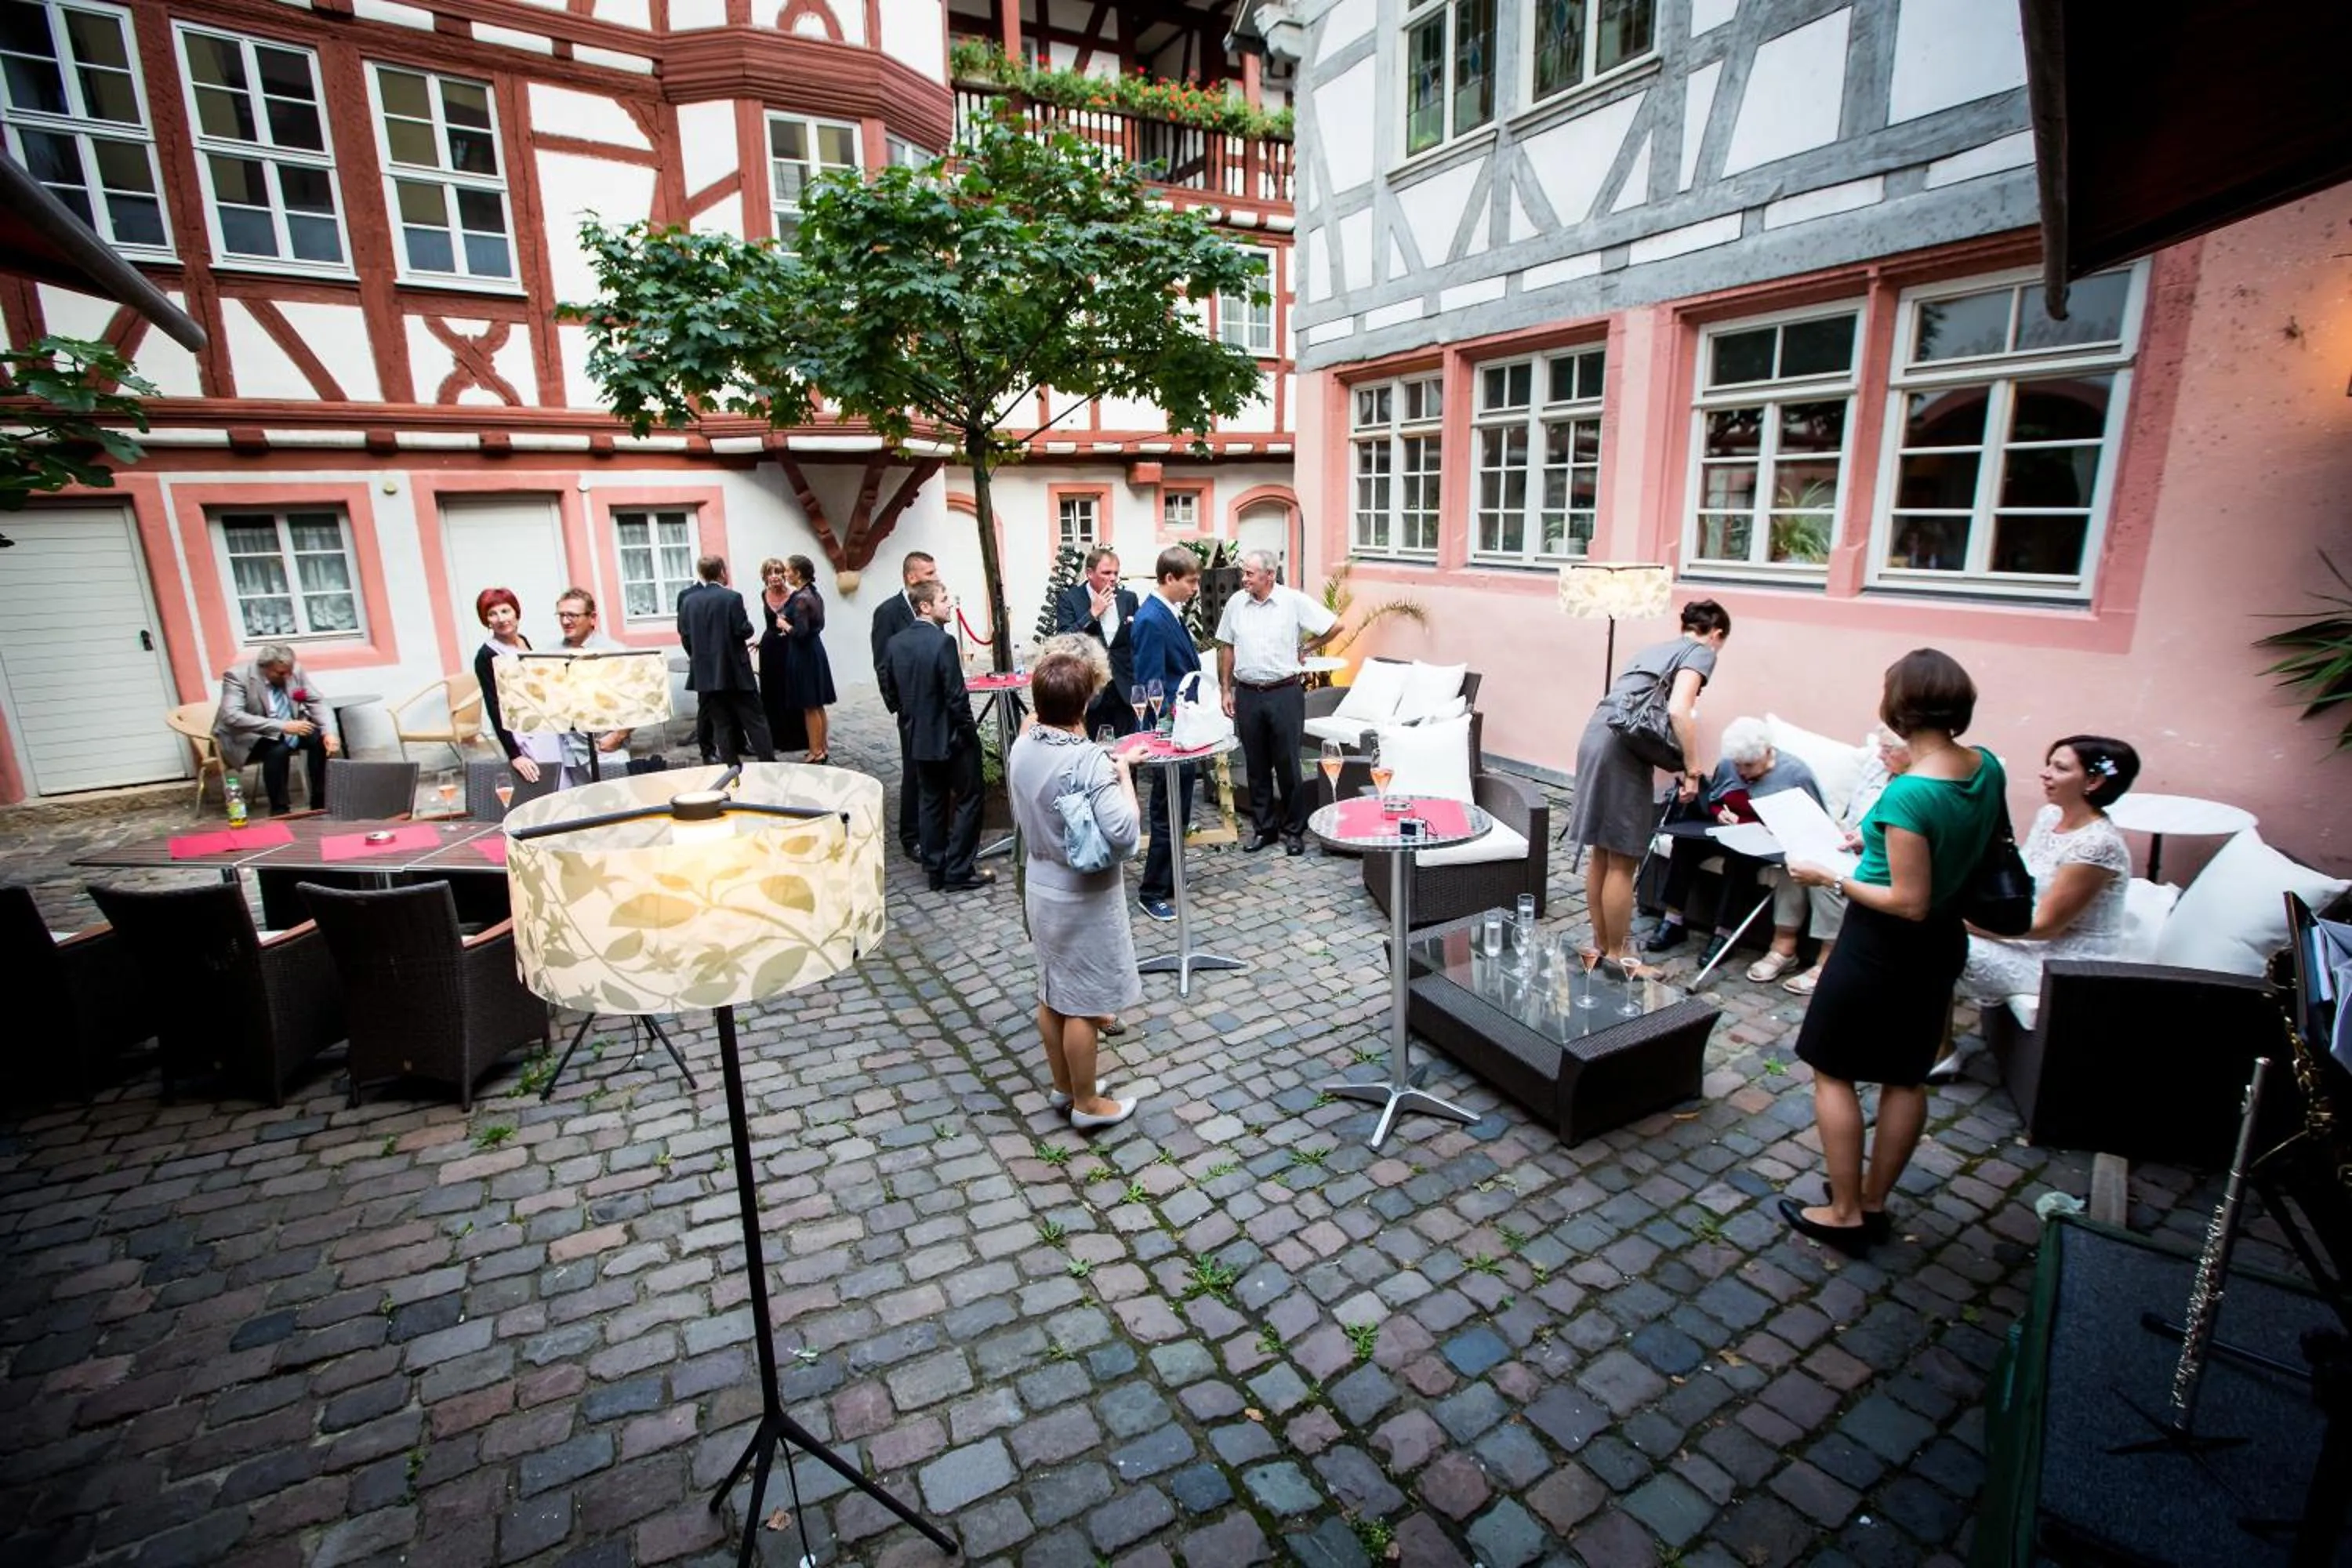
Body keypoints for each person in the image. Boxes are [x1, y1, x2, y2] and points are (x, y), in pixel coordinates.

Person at [1780, 649, 2005, 1254]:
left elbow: (1907, 900)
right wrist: (1870, 837)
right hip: (1942, 943)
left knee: (1834, 1069)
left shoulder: (1911, 793)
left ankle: (1845, 1211)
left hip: (1883, 946)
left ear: (1898, 707)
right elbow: (1963, 846)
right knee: (1906, 1076)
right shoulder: (1985, 767)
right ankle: (1875, 1200)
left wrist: (1829, 874)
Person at [1943, 734, 2140, 1076]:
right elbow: (2019, 882)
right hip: (2025, 935)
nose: (2045, 774)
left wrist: (1961, 921)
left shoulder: (2098, 846)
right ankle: (1928, 1040)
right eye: (2049, 764)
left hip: (2063, 961)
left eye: (2060, 768)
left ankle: (1938, 1052)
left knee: (1938, 938)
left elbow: (2046, 926)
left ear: (2093, 781)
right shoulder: (2050, 816)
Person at [1007, 644, 1143, 1129]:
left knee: (1051, 992)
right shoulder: (1089, 761)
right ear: (1084, 704)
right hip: (1081, 893)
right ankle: (1088, 1103)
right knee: (1085, 1003)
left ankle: (1064, 1086)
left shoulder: (1022, 744)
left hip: (1040, 884)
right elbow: (1125, 832)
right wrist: (1124, 775)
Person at [1565, 600, 1733, 970]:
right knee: (1623, 858)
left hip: (1597, 735)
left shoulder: (1654, 650)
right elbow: (1678, 709)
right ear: (1717, 633)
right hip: (1622, 751)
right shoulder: (1701, 653)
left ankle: (1602, 946)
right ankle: (1620, 956)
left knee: (1602, 853)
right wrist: (1692, 768)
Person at [1645, 716, 1823, 975]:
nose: (1742, 773)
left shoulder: (1795, 773)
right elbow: (1715, 798)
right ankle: (1673, 921)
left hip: (1767, 842)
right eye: (1738, 766)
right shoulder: (1730, 765)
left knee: (1740, 861)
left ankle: (1724, 934)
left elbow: (1812, 820)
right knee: (1685, 843)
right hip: (1728, 830)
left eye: (1749, 766)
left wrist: (1767, 827)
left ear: (1767, 752)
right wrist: (1719, 813)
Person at [1215, 549, 1338, 856]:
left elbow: (1334, 626)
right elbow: (1227, 647)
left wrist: (1307, 647)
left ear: (1269, 575)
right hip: (1247, 694)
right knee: (1256, 766)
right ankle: (1264, 829)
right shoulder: (1235, 604)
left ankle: (1294, 831)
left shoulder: (1292, 601)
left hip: (1284, 693)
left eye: (1249, 574)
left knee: (1288, 766)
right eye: (1244, 573)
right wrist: (1225, 689)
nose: (1243, 578)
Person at [1783, 728, 1911, 996]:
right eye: (1881, 747)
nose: (1880, 754)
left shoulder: (1915, 789)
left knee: (1824, 876)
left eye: (1888, 749)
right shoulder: (1877, 769)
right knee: (1794, 858)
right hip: (1850, 843)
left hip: (1878, 860)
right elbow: (1856, 816)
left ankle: (1826, 960)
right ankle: (1783, 945)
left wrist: (1862, 842)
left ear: (1912, 750)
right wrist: (1851, 834)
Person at [878, 580, 989, 892]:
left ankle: (935, 868)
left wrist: (909, 715)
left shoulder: (896, 643)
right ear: (925, 606)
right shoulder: (943, 642)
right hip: (951, 737)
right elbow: (956, 697)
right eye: (943, 599)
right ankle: (958, 870)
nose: (949, 603)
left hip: (918, 736)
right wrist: (970, 733)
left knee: (931, 801)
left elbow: (888, 686)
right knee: (969, 798)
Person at [1129, 546, 1203, 923]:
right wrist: (1160, 738)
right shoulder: (1150, 620)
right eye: (1190, 581)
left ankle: (1171, 876)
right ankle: (1152, 890)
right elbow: (1150, 685)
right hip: (1169, 732)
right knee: (1165, 810)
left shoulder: (1167, 614)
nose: (1195, 588)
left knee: (1180, 809)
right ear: (1169, 578)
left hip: (1185, 728)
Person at [871, 550, 939, 860]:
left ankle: (936, 827)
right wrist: (898, 705)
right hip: (911, 707)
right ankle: (911, 835)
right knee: (913, 770)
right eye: (929, 574)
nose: (935, 578)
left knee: (936, 766)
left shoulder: (934, 606)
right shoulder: (888, 612)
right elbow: (882, 664)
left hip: (936, 702)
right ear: (911, 577)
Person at [216, 643, 339, 814]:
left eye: (289, 671)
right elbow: (231, 716)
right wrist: (283, 726)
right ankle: (280, 810)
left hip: (290, 727)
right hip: (249, 735)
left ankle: (321, 803)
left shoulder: (294, 671)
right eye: (281, 673)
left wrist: (329, 733)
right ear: (264, 667)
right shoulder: (237, 676)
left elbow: (316, 701)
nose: (288, 677)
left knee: (318, 739)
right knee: (278, 749)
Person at [677, 556, 774, 767]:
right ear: (722, 571)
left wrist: (700, 658)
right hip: (735, 670)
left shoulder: (688, 601)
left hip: (707, 673)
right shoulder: (732, 598)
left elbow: (685, 635)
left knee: (721, 724)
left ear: (702, 574)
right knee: (755, 720)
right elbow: (744, 630)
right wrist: (746, 619)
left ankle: (732, 769)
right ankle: (768, 764)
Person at [1054, 548, 1141, 740]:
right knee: (1096, 748)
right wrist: (1092, 614)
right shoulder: (1070, 599)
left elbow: (1135, 641)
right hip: (1090, 687)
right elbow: (1063, 640)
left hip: (1123, 688)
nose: (1113, 578)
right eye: (1106, 573)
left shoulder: (1129, 599)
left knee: (1129, 748)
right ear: (1090, 573)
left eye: (1116, 573)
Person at [552, 588, 637, 784]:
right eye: (562, 615)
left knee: (617, 807)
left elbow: (636, 700)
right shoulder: (551, 654)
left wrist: (618, 736)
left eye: (572, 615)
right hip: (569, 754)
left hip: (607, 749)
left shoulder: (614, 652)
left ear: (592, 618)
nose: (565, 621)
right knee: (583, 809)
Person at [471, 587, 554, 786]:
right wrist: (515, 755)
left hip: (546, 728)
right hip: (522, 734)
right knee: (543, 785)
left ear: (516, 612)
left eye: (505, 611)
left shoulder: (523, 641)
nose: (501, 619)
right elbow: (495, 705)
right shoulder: (487, 655)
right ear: (486, 620)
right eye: (492, 614)